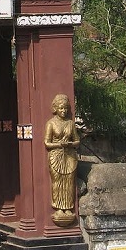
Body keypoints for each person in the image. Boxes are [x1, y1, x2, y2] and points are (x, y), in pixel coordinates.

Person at [43, 94, 80, 226]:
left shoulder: (70, 123)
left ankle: (68, 208)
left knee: (69, 182)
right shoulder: (51, 123)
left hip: (69, 156)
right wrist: (60, 144)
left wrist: (69, 144)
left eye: (65, 108)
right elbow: (47, 143)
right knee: (57, 182)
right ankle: (58, 208)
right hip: (56, 156)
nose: (63, 111)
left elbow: (77, 141)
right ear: (55, 109)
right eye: (61, 108)